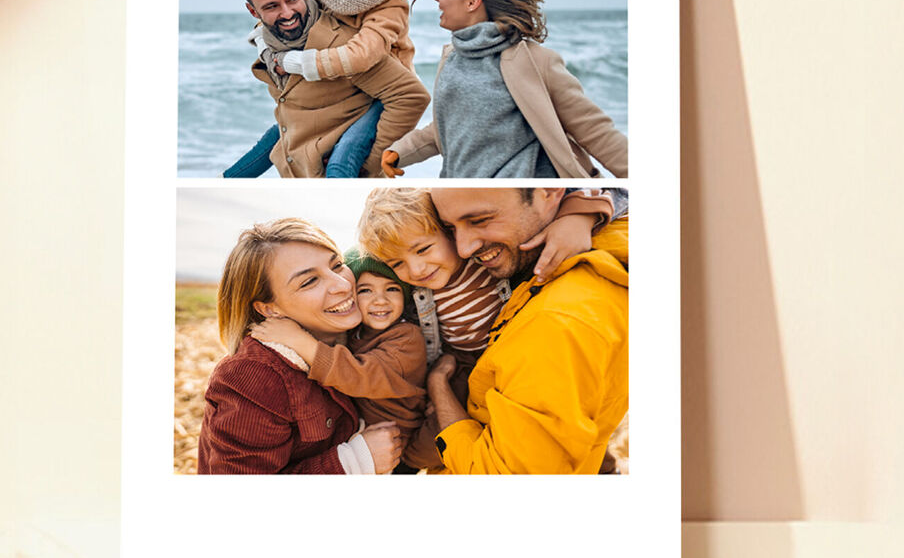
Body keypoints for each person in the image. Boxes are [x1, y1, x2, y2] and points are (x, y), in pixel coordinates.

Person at [354, 186, 625, 470]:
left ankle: (606, 468)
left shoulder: (488, 260)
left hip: (507, 353)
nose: (417, 269)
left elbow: (614, 194)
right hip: (459, 364)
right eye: (398, 264)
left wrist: (579, 217)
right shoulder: (415, 290)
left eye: (423, 250)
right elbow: (369, 281)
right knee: (423, 451)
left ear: (447, 234)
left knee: (573, 431)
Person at [224, 0, 433, 178]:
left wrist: (296, 62)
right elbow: (292, 8)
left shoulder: (389, 2)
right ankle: (227, 179)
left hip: (377, 93)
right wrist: (264, 45)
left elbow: (362, 55)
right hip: (341, 87)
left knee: (342, 160)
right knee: (278, 137)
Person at [382, 0, 628, 179]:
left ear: (472, 2)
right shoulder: (452, 58)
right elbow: (451, 127)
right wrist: (401, 150)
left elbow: (595, 131)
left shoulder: (535, 62)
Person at [195, 218, 405, 474]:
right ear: (269, 308)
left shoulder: (359, 334)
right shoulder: (252, 376)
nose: (343, 285)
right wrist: (354, 462)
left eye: (337, 265)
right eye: (308, 282)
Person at [247, 248, 439, 472]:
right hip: (364, 440)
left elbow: (359, 375)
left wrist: (299, 341)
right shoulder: (355, 332)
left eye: (392, 289)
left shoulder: (407, 337)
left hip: (399, 447)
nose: (380, 300)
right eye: (366, 290)